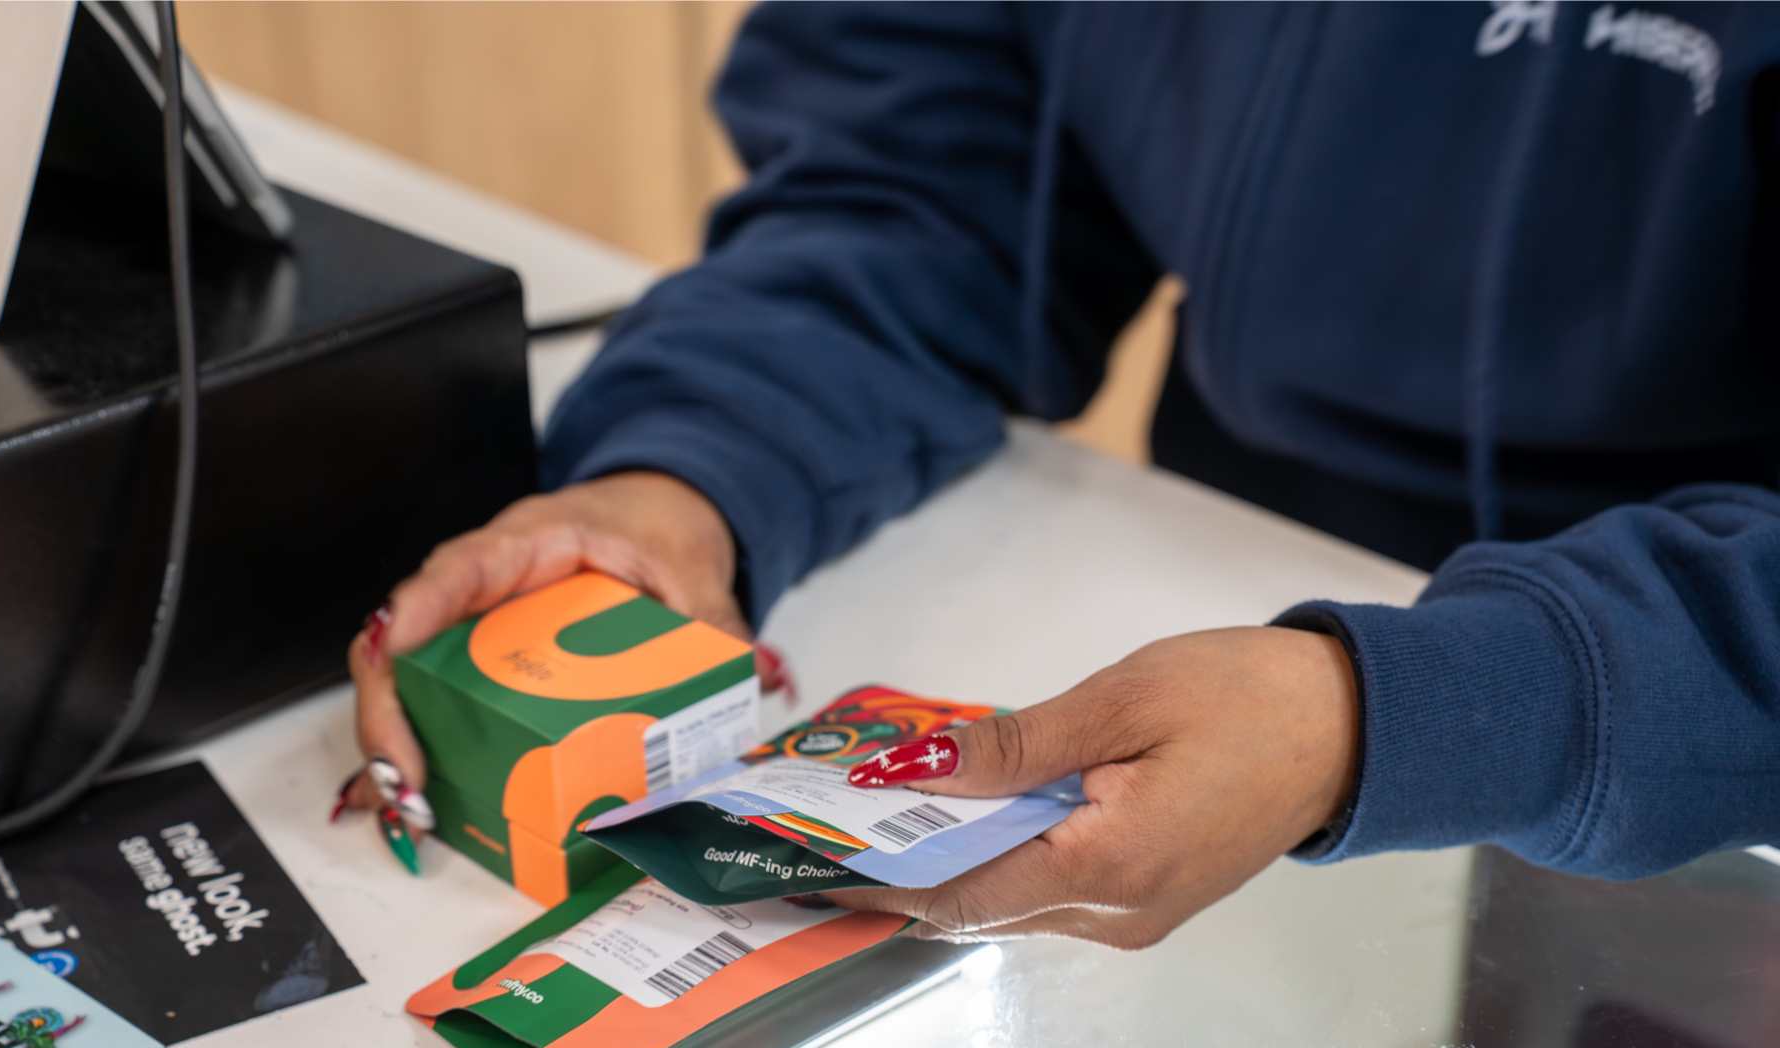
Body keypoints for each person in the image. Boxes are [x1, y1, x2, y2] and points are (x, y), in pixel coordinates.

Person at [346, 2, 1780, 947]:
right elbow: (926, 181)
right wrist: (691, 467)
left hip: (1695, 749)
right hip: (1221, 614)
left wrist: (1404, 713)